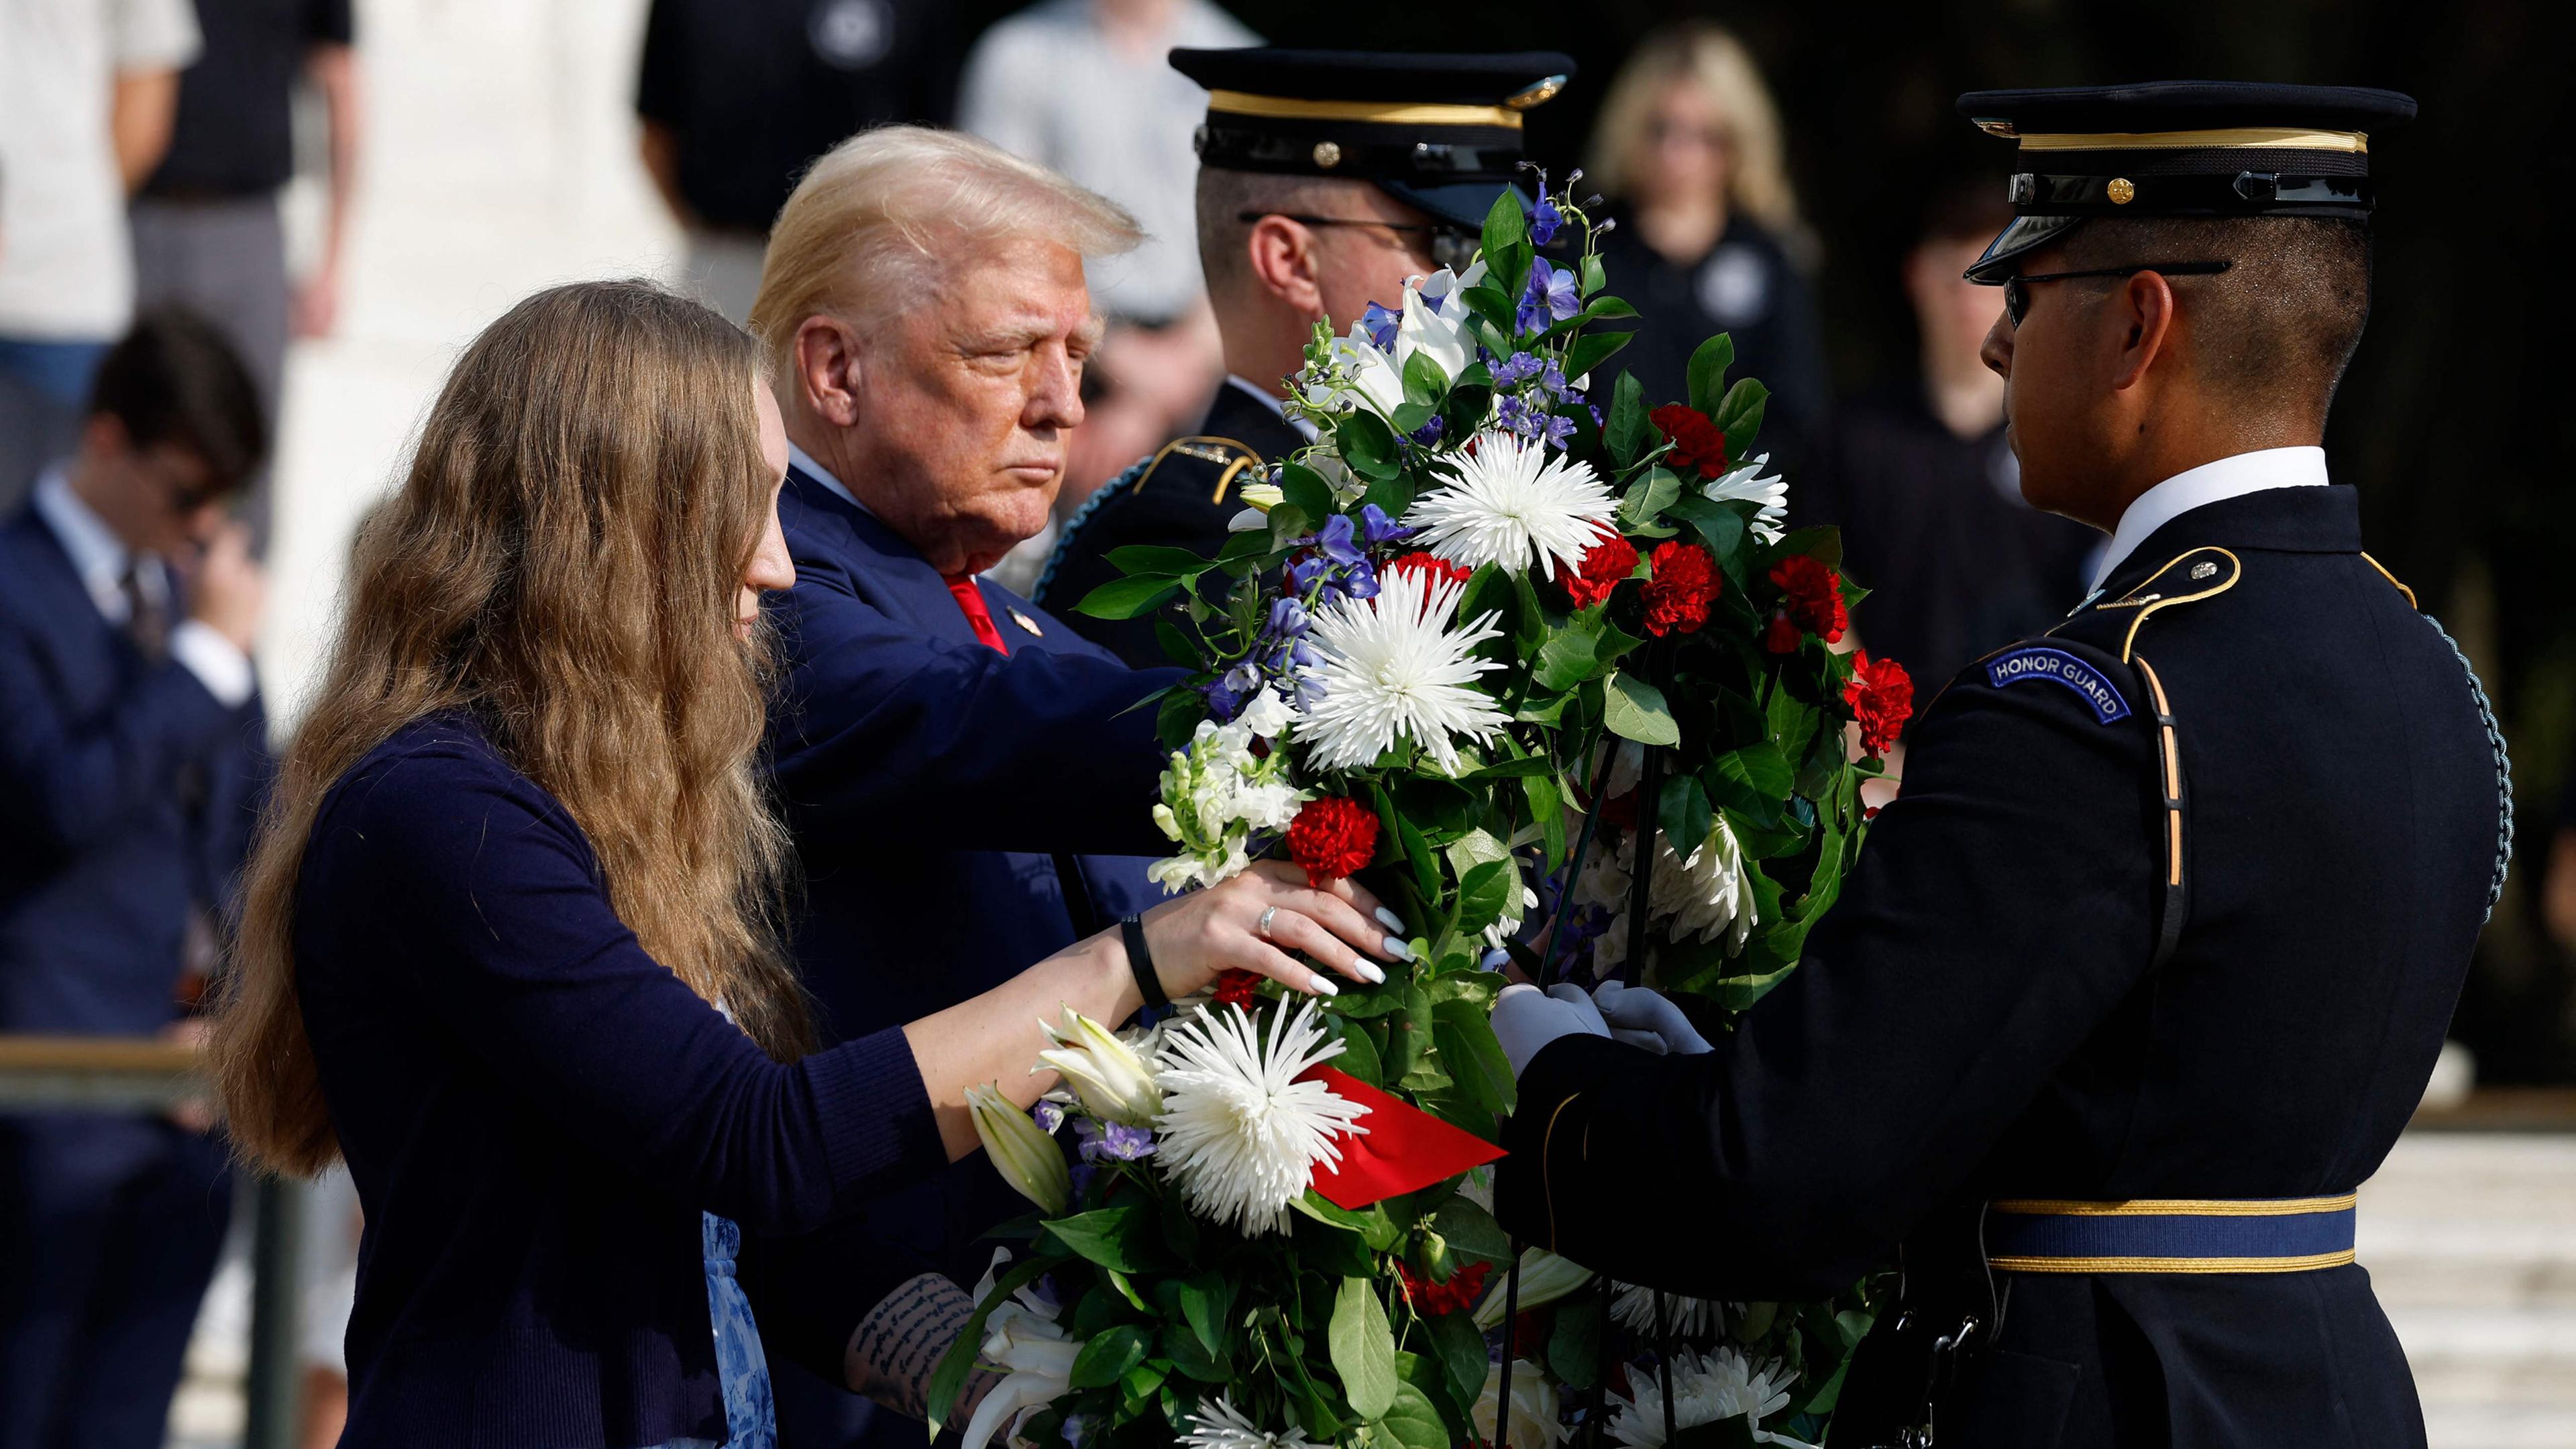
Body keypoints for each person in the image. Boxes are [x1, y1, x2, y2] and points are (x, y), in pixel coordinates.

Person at [205, 278, 1398, 1449]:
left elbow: (738, 1236)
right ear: (618, 522)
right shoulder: (438, 809)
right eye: (751, 504)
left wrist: (1044, 1385)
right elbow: (756, 1139)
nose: (777, 566)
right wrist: (1141, 956)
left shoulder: (574, 793)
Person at [1489, 83, 2509, 1446]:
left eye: (2027, 297)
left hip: (2088, 1398)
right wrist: (1739, 1071)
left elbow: (1783, 1186)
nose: (1995, 347)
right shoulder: (2425, 666)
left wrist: (1556, 1079)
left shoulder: (2084, 707)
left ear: (2140, 323)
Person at [1035, 47, 1578, 665]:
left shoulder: (1454, 488)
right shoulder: (1193, 530)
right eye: (1448, 242)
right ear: (1290, 262)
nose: (1484, 279)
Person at [0, 308, 271, 1449]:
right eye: (183, 492)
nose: (202, 528)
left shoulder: (187, 595)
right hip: (50, 1096)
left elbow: (247, 821)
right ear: (107, 440)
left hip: (189, 1093)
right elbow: (63, 799)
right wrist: (210, 657)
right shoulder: (14, 588)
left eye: (222, 503)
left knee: (129, 1422)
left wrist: (234, 1023)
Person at [956, 0, 1260, 531]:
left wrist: (1172, 374)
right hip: (1060, 354)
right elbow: (995, 232)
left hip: (1209, 359)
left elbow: (1251, 232)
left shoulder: (1243, 64)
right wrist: (1107, 359)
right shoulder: (1019, 56)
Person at [1794, 180, 2099, 701]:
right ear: (1917, 277)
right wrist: (1867, 740)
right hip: (1880, 756)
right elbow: (1814, 589)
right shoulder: (1853, 436)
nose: (1967, 301)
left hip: (2036, 737)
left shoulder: (2073, 442)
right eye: (1952, 276)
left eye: (1987, 279)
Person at [132, 0, 362, 557]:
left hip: (247, 224)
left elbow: (341, 83)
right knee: (130, 449)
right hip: (135, 215)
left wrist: (332, 260)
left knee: (244, 456)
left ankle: (230, 634)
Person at [1584, 23, 1828, 474]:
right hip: (1598, 514)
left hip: (1731, 513)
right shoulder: (1589, 250)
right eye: (1662, 130)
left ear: (1739, 143)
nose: (1678, 155)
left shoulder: (1774, 257)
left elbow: (1797, 416)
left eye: (1705, 136)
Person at [637, 0, 965, 325]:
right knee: (715, 374)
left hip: (860, 261)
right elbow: (656, 135)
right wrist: (707, 235)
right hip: (726, 255)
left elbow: (936, 138)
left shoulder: (918, 10)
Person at [0, 0, 203, 511]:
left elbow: (145, 100)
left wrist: (48, 218)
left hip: (57, 299)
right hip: (55, 296)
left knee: (45, 558)